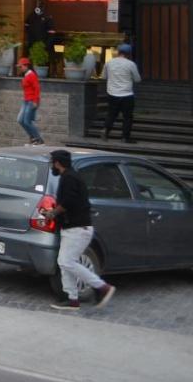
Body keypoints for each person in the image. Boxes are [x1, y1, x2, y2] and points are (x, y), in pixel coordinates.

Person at [44, 150, 116, 310]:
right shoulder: (69, 176)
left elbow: (68, 201)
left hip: (77, 228)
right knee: (65, 262)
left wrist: (53, 213)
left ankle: (102, 287)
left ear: (57, 163)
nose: (51, 166)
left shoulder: (69, 178)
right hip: (73, 228)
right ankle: (72, 299)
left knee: (67, 261)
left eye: (52, 162)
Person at [102, 43, 142, 143]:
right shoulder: (131, 64)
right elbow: (137, 79)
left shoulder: (109, 63)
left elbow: (104, 77)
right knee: (127, 117)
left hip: (112, 93)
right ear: (129, 54)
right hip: (127, 94)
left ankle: (106, 130)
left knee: (111, 114)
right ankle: (125, 137)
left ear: (118, 52)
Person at [17, 57, 44, 145]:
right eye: (19, 67)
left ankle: (38, 139)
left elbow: (37, 88)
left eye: (21, 67)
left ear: (26, 66)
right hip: (26, 100)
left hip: (31, 101)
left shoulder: (31, 75)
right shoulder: (26, 74)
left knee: (27, 121)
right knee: (20, 120)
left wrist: (35, 101)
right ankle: (33, 137)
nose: (20, 69)